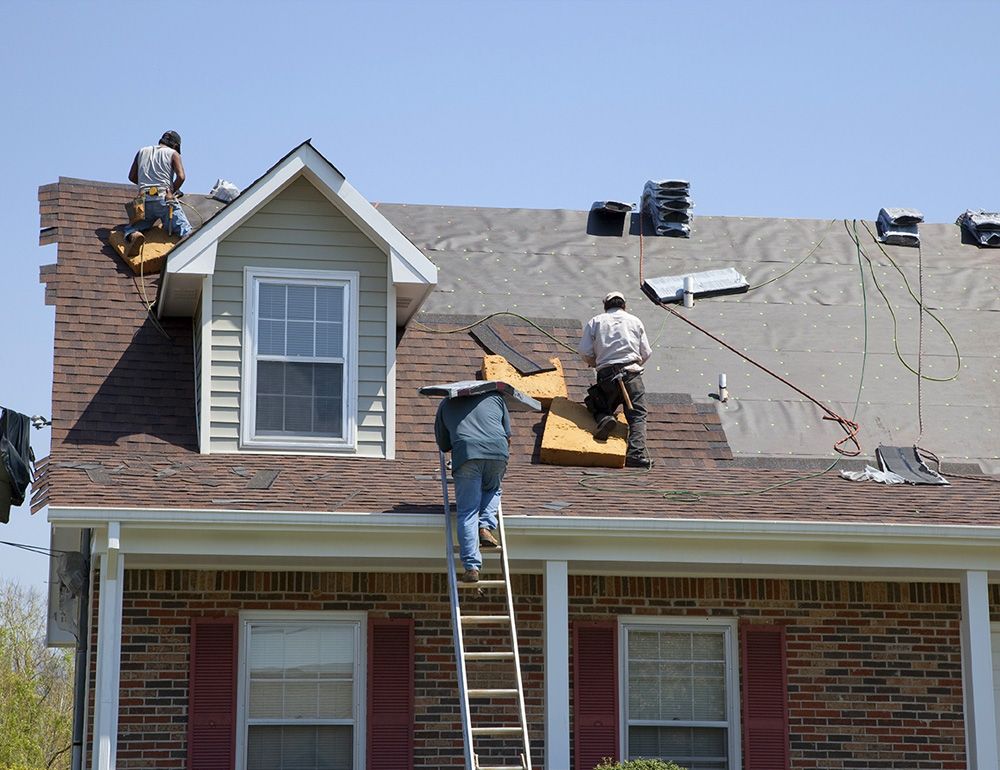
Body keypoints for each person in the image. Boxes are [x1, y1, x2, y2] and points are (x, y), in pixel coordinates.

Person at [434, 391, 511, 583]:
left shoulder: (446, 403)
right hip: (497, 450)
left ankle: (471, 567)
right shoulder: (495, 397)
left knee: (468, 511)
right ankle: (485, 527)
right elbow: (508, 435)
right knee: (493, 489)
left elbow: (444, 445)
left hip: (467, 453)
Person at [578, 291, 653, 468]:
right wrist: (633, 363)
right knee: (637, 415)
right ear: (624, 306)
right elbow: (646, 352)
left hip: (607, 376)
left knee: (598, 404)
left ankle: (604, 417)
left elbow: (584, 351)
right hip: (631, 374)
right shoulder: (635, 321)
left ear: (606, 306)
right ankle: (635, 453)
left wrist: (597, 363)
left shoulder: (596, 321)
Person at [123, 131, 192, 257]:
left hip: (143, 201)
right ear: (175, 145)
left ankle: (135, 235)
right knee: (186, 232)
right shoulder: (173, 153)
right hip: (163, 199)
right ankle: (173, 255)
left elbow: (131, 176)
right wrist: (171, 191)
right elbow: (181, 177)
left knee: (130, 228)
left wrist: (144, 186)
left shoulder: (142, 151)